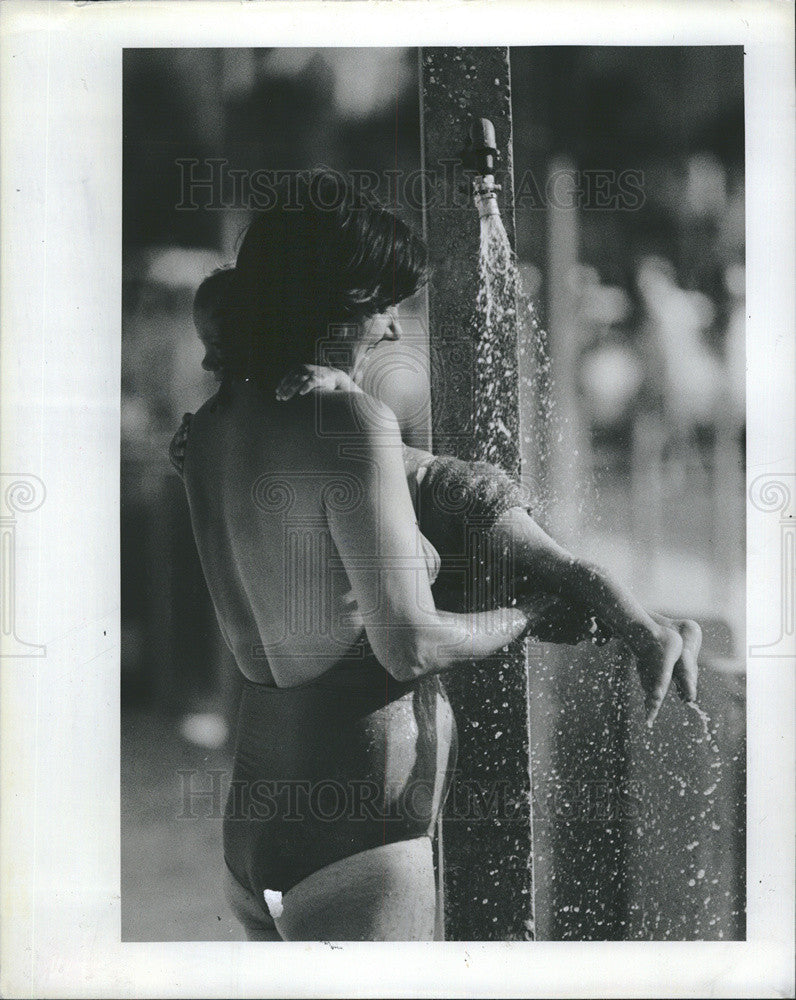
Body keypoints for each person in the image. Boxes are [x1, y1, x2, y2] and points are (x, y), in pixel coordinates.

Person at [170, 172, 697, 942]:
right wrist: (527, 614)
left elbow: (425, 489)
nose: (391, 331)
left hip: (253, 829)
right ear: (338, 303)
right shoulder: (347, 418)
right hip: (357, 837)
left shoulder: (208, 432)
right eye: (384, 306)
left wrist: (602, 590)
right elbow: (408, 642)